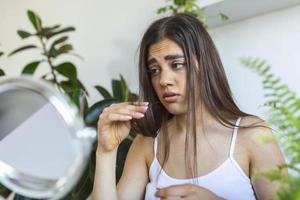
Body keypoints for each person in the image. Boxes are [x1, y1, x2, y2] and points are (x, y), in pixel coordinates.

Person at [91, 13, 286, 200]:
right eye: (154, 70)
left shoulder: (253, 135)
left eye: (176, 64)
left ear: (204, 65)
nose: (163, 80)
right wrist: (106, 152)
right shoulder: (147, 144)